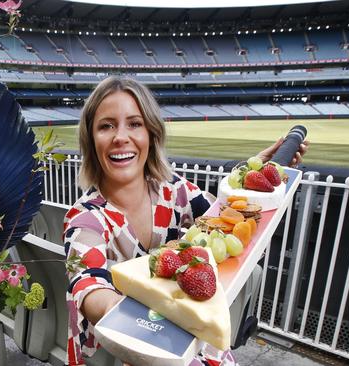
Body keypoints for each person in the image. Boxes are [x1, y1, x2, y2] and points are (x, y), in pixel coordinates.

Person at [64, 76, 308, 365]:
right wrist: (139, 316)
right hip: (133, 351)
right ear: (91, 140)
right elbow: (88, 286)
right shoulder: (85, 217)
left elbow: (226, 219)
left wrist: (251, 179)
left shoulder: (176, 190)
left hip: (195, 344)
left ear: (151, 133)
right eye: (106, 125)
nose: (120, 136)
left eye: (134, 123)